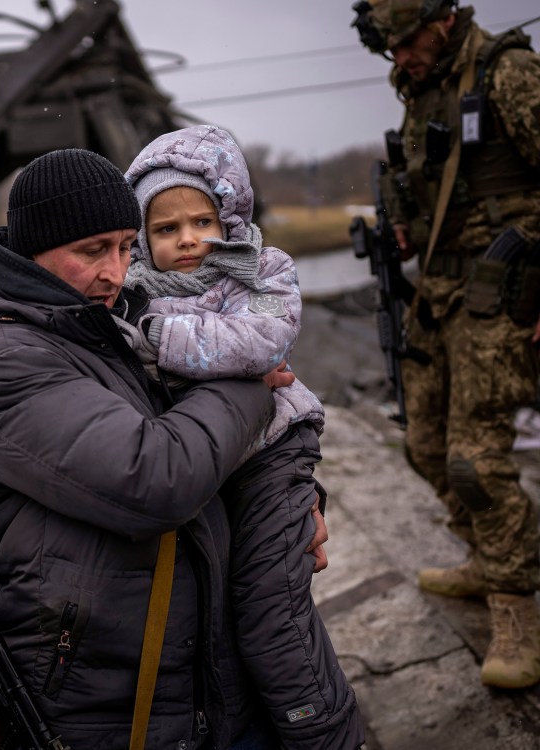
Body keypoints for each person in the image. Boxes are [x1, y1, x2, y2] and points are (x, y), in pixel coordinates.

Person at [0, 147, 326, 749]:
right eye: (92, 251)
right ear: (32, 250)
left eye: (124, 248)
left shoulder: (102, 321)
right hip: (113, 705)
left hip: (194, 679)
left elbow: (211, 448)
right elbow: (159, 478)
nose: (114, 272)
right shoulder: (2, 358)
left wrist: (293, 502)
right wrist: (252, 379)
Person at [119, 124, 363, 749]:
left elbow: (259, 343)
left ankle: (328, 734)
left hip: (275, 453)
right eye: (166, 229)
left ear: (228, 214)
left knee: (270, 612)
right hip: (211, 465)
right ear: (143, 239)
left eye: (202, 221)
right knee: (221, 620)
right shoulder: (135, 294)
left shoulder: (261, 271)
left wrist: (156, 341)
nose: (189, 240)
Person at [352, 0, 540, 689]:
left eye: (407, 43)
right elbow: (438, 194)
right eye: (390, 49)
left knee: (475, 459)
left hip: (503, 294)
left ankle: (516, 614)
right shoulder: (421, 89)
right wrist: (406, 229)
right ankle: (486, 557)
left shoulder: (516, 76)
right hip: (440, 294)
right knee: (421, 442)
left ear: (442, 20)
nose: (400, 59)